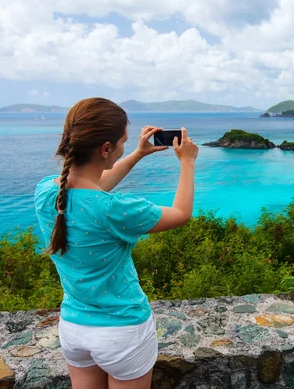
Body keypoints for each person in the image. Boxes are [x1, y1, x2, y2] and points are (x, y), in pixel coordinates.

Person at [34, 97, 198, 389]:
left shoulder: (47, 192)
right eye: (123, 142)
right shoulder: (114, 209)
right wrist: (187, 161)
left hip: (74, 330)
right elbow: (181, 214)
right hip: (122, 332)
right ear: (106, 149)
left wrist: (137, 154)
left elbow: (93, 186)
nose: (124, 146)